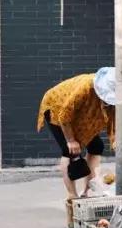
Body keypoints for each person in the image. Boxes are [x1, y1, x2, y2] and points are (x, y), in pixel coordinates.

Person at [37, 67, 117, 198]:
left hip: (78, 115)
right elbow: (64, 115)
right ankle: (72, 195)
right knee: (69, 151)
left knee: (96, 146)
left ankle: (88, 191)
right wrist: (71, 140)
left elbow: (113, 119)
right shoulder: (85, 87)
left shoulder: (113, 97)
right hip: (56, 108)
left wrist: (115, 140)